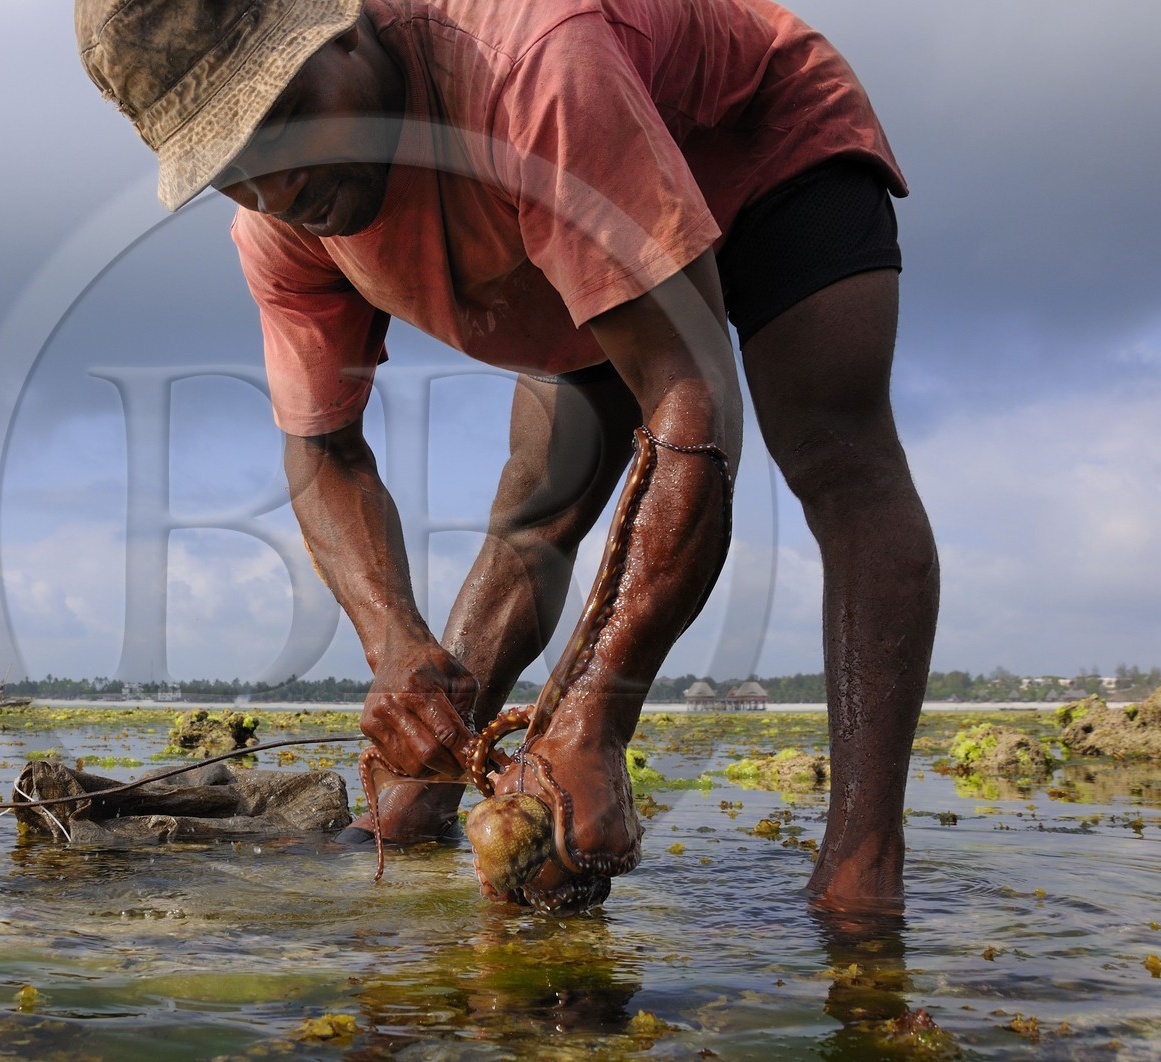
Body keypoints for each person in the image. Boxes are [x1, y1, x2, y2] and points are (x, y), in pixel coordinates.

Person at [74, 0, 939, 916]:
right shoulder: (283, 223)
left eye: (284, 121)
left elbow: (690, 402)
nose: (280, 190)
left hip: (757, 153)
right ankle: (420, 821)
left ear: (344, 25)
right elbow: (322, 446)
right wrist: (394, 646)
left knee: (835, 456)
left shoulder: (528, 60)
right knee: (531, 523)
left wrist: (592, 717)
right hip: (565, 231)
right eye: (235, 172)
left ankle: (861, 873)